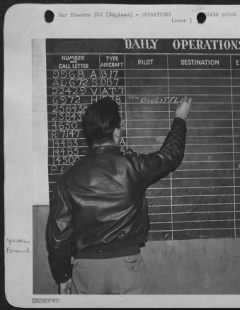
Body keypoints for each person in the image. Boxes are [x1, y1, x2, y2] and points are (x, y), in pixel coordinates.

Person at [46, 96, 192, 294]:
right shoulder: (134, 166)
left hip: (87, 269)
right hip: (127, 265)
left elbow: (58, 236)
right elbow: (171, 155)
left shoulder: (68, 178)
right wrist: (180, 118)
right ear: (116, 133)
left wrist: (63, 276)